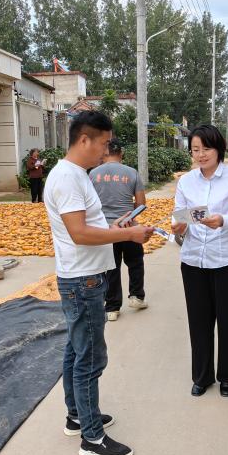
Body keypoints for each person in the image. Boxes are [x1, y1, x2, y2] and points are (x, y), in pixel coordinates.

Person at [43, 110, 154, 455]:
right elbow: (79, 233)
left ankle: (77, 416)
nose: (106, 152)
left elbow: (86, 224)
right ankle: (92, 438)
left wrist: (115, 227)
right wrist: (128, 235)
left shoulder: (78, 175)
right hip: (83, 279)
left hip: (82, 275)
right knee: (91, 357)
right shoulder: (67, 178)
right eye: (104, 144)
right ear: (84, 140)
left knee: (76, 350)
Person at [171, 124, 228, 398]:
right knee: (199, 321)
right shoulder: (186, 181)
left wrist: (223, 220)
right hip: (194, 261)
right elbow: (180, 215)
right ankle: (202, 376)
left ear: (219, 149)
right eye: (195, 149)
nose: (201, 154)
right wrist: (179, 225)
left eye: (206, 148)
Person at [91, 138, 148, 322]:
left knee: (111, 267)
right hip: (129, 227)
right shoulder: (131, 173)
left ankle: (112, 308)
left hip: (106, 230)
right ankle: (136, 297)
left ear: (105, 153)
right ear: (121, 153)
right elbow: (141, 204)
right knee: (135, 262)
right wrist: (129, 213)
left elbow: (90, 205)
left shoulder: (93, 174)